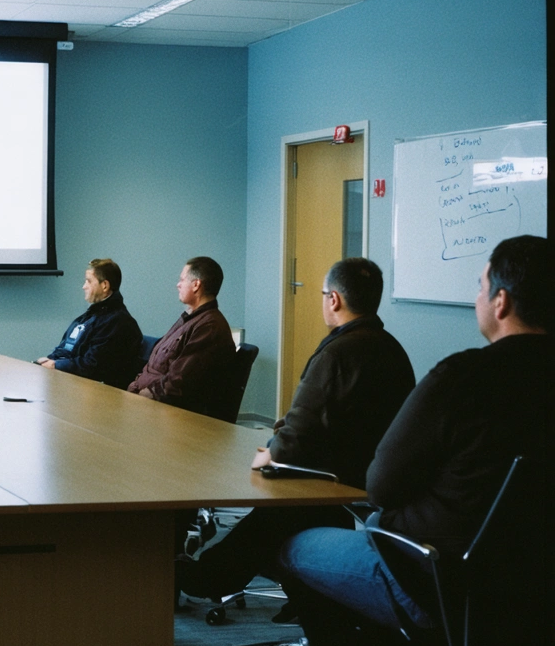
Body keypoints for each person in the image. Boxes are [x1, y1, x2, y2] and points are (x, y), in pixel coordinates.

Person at [277, 236, 551, 646]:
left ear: (501, 302)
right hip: (534, 589)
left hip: (436, 579)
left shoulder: (464, 377)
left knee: (291, 547)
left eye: (481, 287)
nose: (477, 298)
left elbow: (380, 485)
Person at [176, 258, 414, 600]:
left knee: (271, 511)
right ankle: (296, 593)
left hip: (327, 476)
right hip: (369, 475)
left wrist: (271, 454)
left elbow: (300, 429)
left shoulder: (337, 353)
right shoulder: (393, 350)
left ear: (333, 299)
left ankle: (204, 577)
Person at [128, 256, 236, 418]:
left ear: (196, 285)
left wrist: (137, 398)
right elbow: (155, 363)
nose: (178, 284)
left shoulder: (209, 326)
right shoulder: (190, 319)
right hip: (150, 403)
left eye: (182, 280)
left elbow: (178, 382)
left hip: (171, 414)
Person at [36, 258, 142, 388]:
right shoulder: (89, 317)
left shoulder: (118, 323)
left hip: (97, 393)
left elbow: (92, 365)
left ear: (104, 286)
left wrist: (56, 365)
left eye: (89, 281)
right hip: (72, 383)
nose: (84, 286)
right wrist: (51, 360)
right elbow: (66, 347)